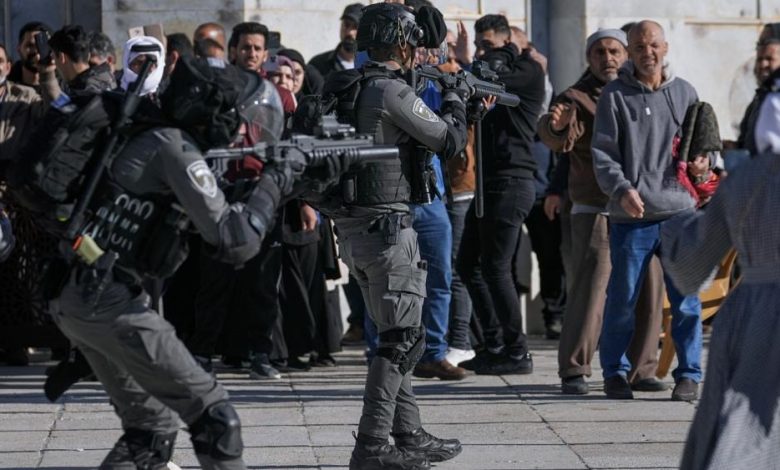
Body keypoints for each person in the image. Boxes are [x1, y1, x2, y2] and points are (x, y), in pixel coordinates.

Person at [11, 54, 308, 468]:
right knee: (216, 419)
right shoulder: (174, 146)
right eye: (238, 120)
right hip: (107, 298)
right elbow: (235, 241)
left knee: (151, 427)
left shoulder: (149, 133)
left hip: (78, 290)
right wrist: (276, 181)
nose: (242, 130)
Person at [317, 3, 468, 468]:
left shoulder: (345, 85)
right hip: (386, 229)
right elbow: (448, 140)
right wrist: (461, 101)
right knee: (402, 339)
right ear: (402, 42)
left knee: (393, 334)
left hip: (355, 227)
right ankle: (373, 445)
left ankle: (408, 433)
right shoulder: (389, 90)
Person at [538, 28, 667, 395]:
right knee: (592, 288)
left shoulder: (645, 92)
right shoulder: (577, 97)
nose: (607, 58)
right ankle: (575, 369)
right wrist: (555, 126)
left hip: (646, 209)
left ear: (625, 55)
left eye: (614, 51)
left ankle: (641, 369)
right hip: (597, 207)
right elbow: (555, 134)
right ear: (589, 59)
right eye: (599, 52)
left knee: (648, 287)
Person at [663, 84, 780, 470]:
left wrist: (677, 223)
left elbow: (690, 268)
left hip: (756, 314)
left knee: (744, 427)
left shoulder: (746, 181)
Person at [591, 20, 703, 401]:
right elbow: (603, 155)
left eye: (653, 45)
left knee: (686, 301)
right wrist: (622, 189)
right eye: (639, 47)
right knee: (621, 301)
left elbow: (702, 147)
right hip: (632, 218)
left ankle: (688, 375)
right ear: (631, 52)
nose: (647, 53)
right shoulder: (614, 95)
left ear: (665, 47)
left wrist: (703, 165)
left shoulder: (686, 93)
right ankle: (614, 373)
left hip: (680, 214)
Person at [456, 14, 546, 375]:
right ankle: (493, 343)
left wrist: (467, 61)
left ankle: (517, 350)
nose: (483, 52)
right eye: (479, 45)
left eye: (490, 45)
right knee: (468, 264)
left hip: (513, 180)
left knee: (495, 266)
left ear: (512, 44)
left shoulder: (527, 71)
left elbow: (481, 78)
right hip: (486, 181)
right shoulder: (491, 70)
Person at [734, 36, 780, 155]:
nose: (763, 64)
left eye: (770, 59)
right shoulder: (759, 98)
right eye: (760, 60)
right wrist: (734, 148)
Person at [308, 3, 363, 79]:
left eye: (355, 27)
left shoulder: (371, 67)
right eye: (346, 25)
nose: (349, 32)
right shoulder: (318, 65)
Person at [8, 21, 52, 89]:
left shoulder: (64, 84)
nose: (36, 51)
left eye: (41, 46)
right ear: (19, 48)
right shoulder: (5, 85)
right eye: (30, 45)